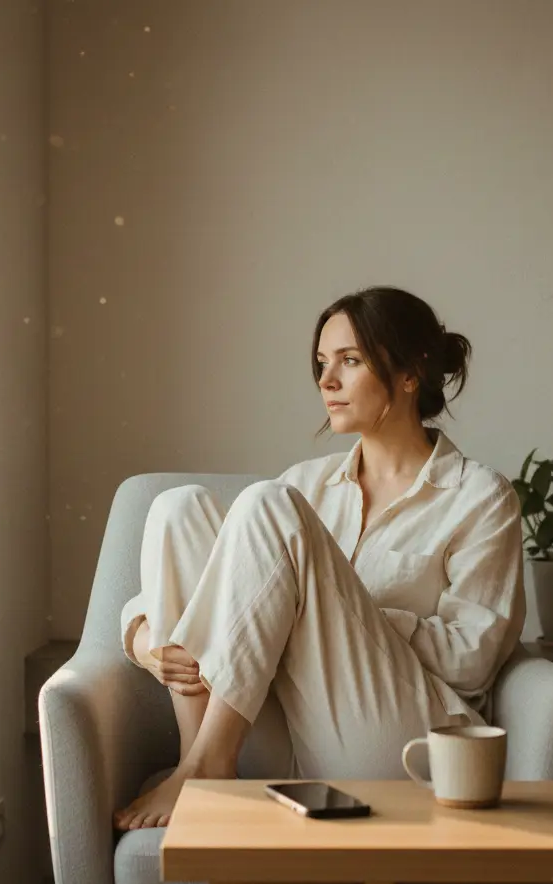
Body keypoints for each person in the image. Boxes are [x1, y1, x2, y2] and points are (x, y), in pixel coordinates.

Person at [114, 286, 526, 830]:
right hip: (279, 732)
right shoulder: (305, 484)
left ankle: (204, 763)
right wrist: (145, 643)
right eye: (321, 364)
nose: (326, 382)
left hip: (394, 743)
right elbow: (216, 594)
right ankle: (204, 758)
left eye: (349, 361)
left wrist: (338, 613)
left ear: (411, 373)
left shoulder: (480, 497)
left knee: (267, 505)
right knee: (178, 508)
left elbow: (471, 660)